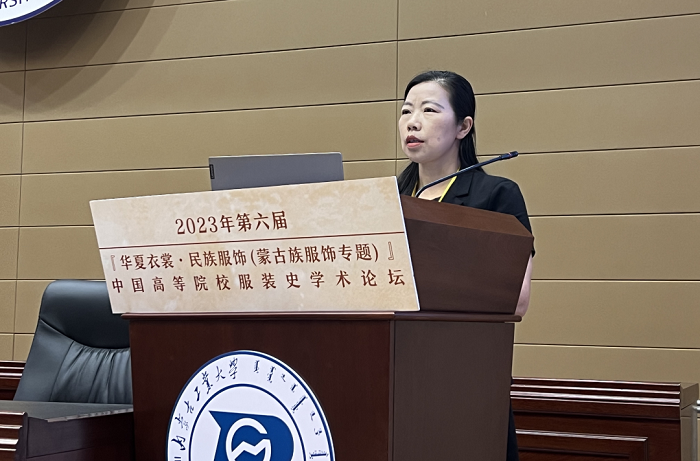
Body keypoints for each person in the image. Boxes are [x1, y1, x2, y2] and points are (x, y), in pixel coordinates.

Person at [397, 70, 533, 460]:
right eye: (406, 111)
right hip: (397, 371)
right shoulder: (385, 199)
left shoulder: (495, 196)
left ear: (463, 127)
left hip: (465, 378)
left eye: (429, 110)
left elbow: (517, 298)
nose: (413, 122)